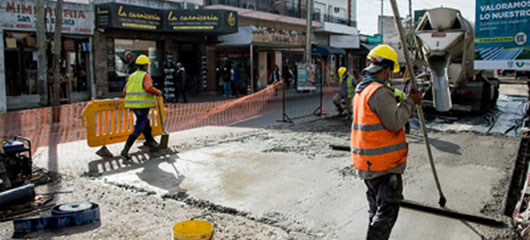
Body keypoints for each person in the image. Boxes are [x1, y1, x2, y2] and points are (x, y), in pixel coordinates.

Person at [351, 44, 422, 240]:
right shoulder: (380, 92)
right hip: (384, 165)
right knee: (386, 214)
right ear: (387, 68)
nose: (391, 74)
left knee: (376, 211)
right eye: (391, 70)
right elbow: (395, 122)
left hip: (368, 163)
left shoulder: (361, 90)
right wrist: (411, 102)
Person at [121, 54, 162, 161]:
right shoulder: (145, 75)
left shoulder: (132, 76)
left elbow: (124, 91)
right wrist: (157, 92)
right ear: (144, 66)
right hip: (142, 106)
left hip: (133, 106)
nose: (148, 67)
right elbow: (148, 87)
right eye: (147, 65)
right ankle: (125, 150)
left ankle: (150, 141)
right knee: (139, 127)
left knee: (146, 124)